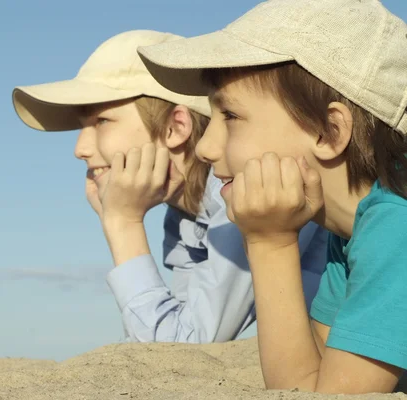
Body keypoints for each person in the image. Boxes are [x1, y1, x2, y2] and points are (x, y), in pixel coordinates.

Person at [136, 0, 407, 394]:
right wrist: (271, 241)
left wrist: (270, 244)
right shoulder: (353, 231)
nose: (206, 148)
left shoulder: (396, 226)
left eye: (230, 116)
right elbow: (303, 379)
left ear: (328, 133)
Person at [12, 30, 327, 343]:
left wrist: (122, 223)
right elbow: (166, 338)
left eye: (101, 122)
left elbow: (187, 346)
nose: (80, 148)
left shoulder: (246, 195)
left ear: (175, 127)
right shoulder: (186, 215)